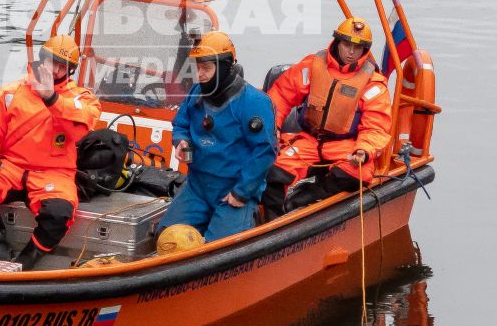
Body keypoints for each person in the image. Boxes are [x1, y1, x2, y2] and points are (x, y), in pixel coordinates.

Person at [0, 35, 101, 269]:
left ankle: (26, 262)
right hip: (10, 167)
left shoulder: (82, 99)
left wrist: (51, 97)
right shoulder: (10, 92)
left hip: (54, 172)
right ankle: (0, 250)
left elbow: (80, 129)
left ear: (70, 70)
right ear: (42, 60)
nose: (57, 69)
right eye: (53, 61)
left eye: (64, 66)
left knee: (60, 213)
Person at [260, 16, 395, 218]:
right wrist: (273, 127)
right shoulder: (313, 66)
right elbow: (280, 96)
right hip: (308, 140)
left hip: (345, 145)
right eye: (347, 45)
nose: (351, 52)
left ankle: (309, 193)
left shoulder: (373, 84)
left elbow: (375, 127)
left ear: (364, 50)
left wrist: (364, 150)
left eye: (357, 48)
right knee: (273, 173)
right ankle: (273, 224)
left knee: (358, 175)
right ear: (338, 42)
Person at [160, 32, 276, 243]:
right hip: (197, 186)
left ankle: (246, 218)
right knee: (166, 238)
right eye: (198, 67)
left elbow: (264, 151)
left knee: (218, 249)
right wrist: (181, 140)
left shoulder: (253, 102)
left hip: (232, 189)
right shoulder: (197, 92)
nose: (200, 74)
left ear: (224, 67)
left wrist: (241, 193)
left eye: (206, 68)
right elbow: (180, 123)